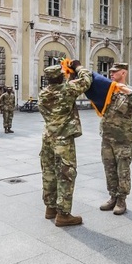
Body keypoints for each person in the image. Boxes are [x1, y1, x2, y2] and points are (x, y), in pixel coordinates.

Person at [39, 61, 93, 227]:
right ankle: (63, 214)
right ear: (61, 77)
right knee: (65, 174)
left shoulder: (43, 94)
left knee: (49, 173)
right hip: (63, 139)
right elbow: (87, 79)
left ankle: (50, 208)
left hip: (47, 138)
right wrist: (77, 67)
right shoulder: (67, 89)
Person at [98, 63, 132, 215]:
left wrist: (128, 92)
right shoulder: (108, 90)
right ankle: (112, 197)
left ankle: (121, 200)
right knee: (109, 169)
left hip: (123, 138)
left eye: (115, 72)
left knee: (122, 170)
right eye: (110, 72)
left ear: (123, 73)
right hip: (107, 137)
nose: (111, 74)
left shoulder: (130, 91)